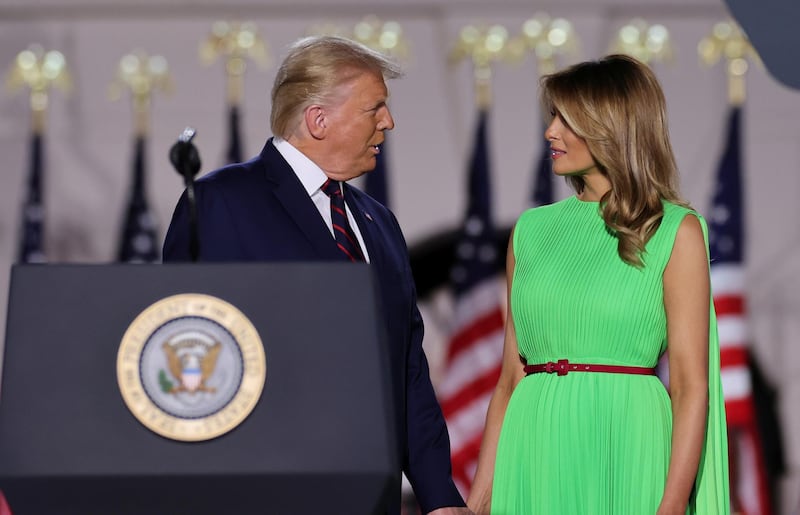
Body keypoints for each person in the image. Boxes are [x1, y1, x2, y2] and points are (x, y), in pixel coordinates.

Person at [162, 35, 471, 515]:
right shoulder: (221, 203)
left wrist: (439, 497)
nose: (389, 122)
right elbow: (184, 350)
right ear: (318, 119)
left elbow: (408, 370)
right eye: (376, 108)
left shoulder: (379, 223)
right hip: (263, 493)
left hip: (372, 496)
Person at [466, 54, 730, 514]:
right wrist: (480, 500)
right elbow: (509, 381)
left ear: (613, 126)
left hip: (628, 448)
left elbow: (690, 386)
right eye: (552, 116)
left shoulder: (675, 230)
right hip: (534, 451)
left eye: (567, 119)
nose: (550, 131)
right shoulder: (529, 231)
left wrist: (670, 508)